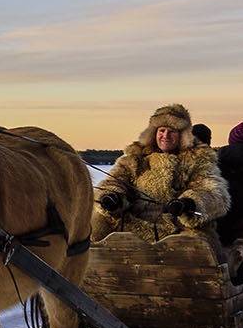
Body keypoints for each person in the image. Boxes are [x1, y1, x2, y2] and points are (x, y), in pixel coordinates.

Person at [92, 103, 230, 248]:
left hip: (177, 229)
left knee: (198, 244)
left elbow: (214, 192)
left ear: (183, 135)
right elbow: (115, 182)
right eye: (162, 130)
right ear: (154, 133)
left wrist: (187, 203)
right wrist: (112, 198)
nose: (165, 136)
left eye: (172, 131)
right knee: (97, 224)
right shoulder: (135, 158)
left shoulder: (197, 159)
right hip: (134, 225)